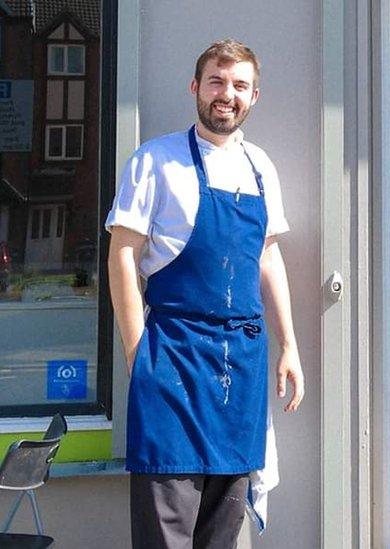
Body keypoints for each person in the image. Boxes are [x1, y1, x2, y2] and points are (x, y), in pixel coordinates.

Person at [105, 39, 303, 548]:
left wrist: (290, 347)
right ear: (196, 87)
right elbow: (122, 256)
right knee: (166, 531)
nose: (226, 94)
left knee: (222, 531)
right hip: (170, 360)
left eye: (239, 85)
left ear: (254, 96)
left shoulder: (261, 167)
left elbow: (267, 257)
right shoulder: (155, 160)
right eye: (216, 81)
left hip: (241, 367)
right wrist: (137, 354)